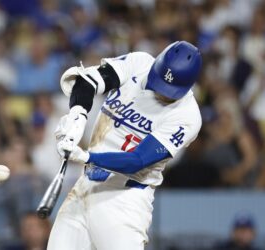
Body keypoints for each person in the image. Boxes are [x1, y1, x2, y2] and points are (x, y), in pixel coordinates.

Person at [48, 41, 203, 249]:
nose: (163, 92)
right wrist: (78, 114)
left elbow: (137, 161)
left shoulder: (187, 116)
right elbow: (88, 81)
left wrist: (86, 157)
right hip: (85, 187)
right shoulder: (139, 63)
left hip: (124, 199)